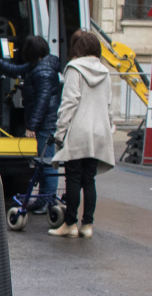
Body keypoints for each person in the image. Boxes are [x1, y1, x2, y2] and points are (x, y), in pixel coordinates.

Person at [48, 31, 116, 238]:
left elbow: (69, 102)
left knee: (73, 178)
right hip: (99, 131)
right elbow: (109, 104)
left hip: (79, 130)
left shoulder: (74, 69)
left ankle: (70, 223)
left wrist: (60, 132)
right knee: (89, 180)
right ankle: (87, 225)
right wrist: (109, 127)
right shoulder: (105, 72)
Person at [0, 35, 61, 210]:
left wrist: (32, 126)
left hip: (45, 123)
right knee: (43, 161)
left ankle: (48, 200)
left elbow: (42, 100)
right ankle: (45, 199)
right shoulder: (40, 66)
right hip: (45, 121)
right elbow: (17, 70)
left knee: (47, 161)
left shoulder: (42, 71)